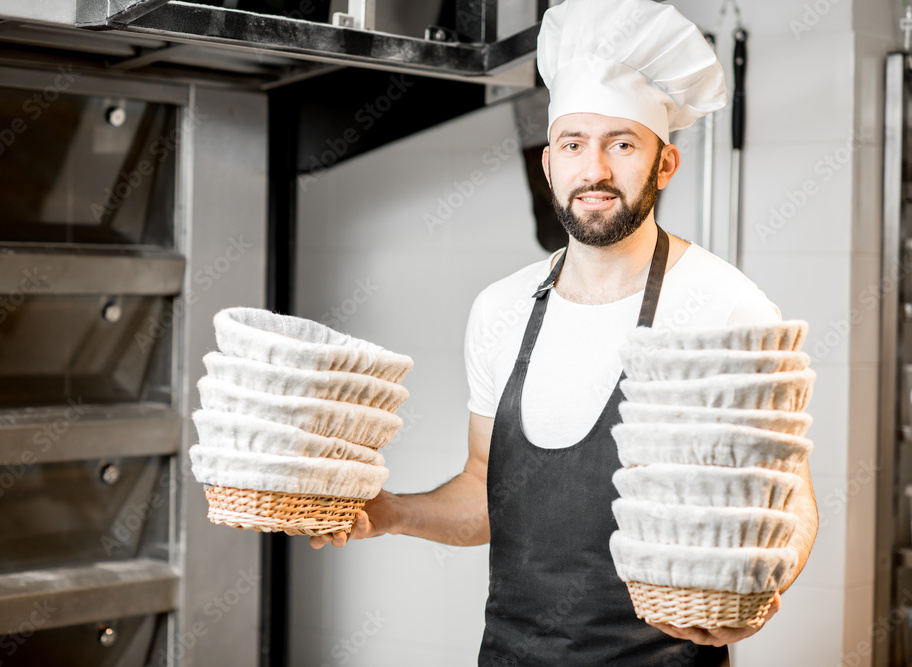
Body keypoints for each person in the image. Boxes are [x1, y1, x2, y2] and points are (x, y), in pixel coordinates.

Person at [311, 0, 819, 664]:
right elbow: (485, 490)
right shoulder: (501, 310)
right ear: (550, 164)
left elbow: (791, 498)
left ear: (664, 165)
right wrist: (392, 512)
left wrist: (761, 585)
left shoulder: (724, 306)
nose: (596, 170)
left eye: (623, 144)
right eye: (575, 144)